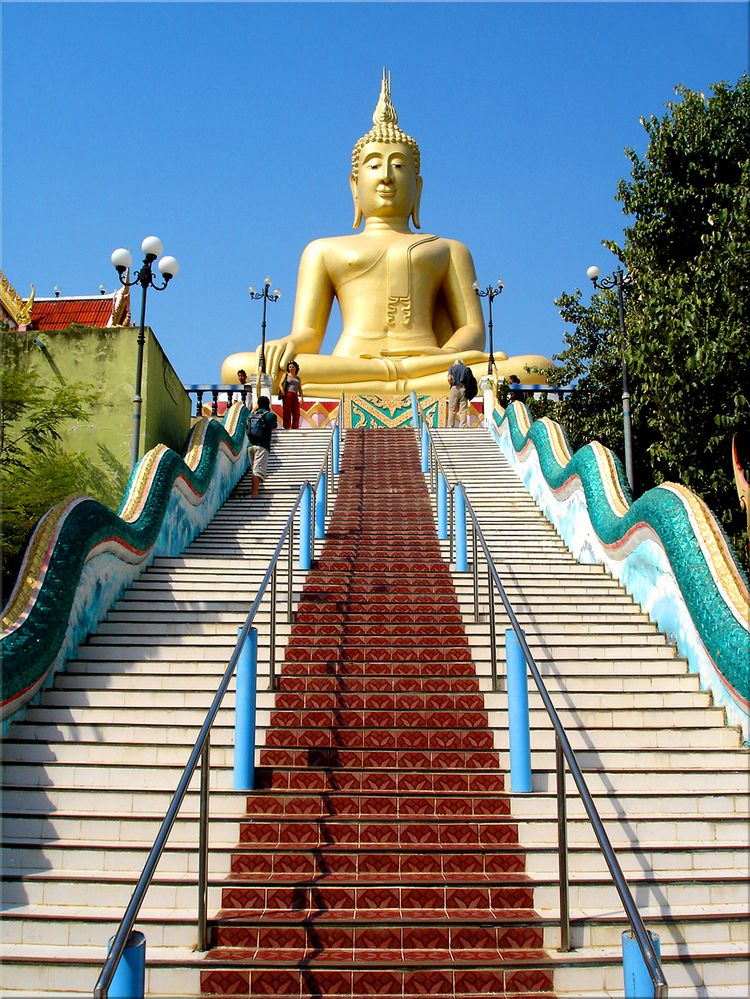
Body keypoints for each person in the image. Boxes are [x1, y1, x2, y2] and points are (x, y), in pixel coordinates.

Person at [221, 71, 551, 395]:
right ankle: (401, 383)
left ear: (418, 186)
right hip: (354, 362)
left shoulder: (449, 250)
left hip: (429, 363)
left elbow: (472, 330)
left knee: (537, 367)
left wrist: (440, 355)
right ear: (354, 185)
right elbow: (308, 333)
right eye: (375, 164)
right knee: (240, 366)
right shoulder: (323, 250)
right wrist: (288, 344)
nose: (387, 177)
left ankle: (395, 382)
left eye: (399, 165)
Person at [246, 396, 278, 498]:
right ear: (268, 404)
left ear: (258, 404)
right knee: (257, 470)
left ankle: (255, 489)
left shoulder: (251, 415)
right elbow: (274, 427)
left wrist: (254, 410)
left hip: (250, 446)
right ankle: (255, 494)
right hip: (262, 446)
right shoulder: (270, 416)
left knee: (255, 469)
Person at [279, 360, 303, 429]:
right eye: (290, 367)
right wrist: (282, 390)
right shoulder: (286, 375)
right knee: (287, 411)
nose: (291, 368)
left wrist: (301, 397)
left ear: (296, 368)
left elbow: (300, 388)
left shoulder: (298, 378)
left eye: (293, 367)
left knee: (296, 412)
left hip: (295, 395)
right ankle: (286, 426)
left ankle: (295, 427)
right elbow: (280, 384)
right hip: (287, 394)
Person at [447, 358, 469, 428]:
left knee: (452, 408)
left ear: (455, 363)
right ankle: (463, 425)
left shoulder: (452, 368)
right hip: (463, 388)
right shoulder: (466, 369)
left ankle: (451, 425)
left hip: (454, 388)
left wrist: (451, 383)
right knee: (463, 409)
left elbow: (449, 378)